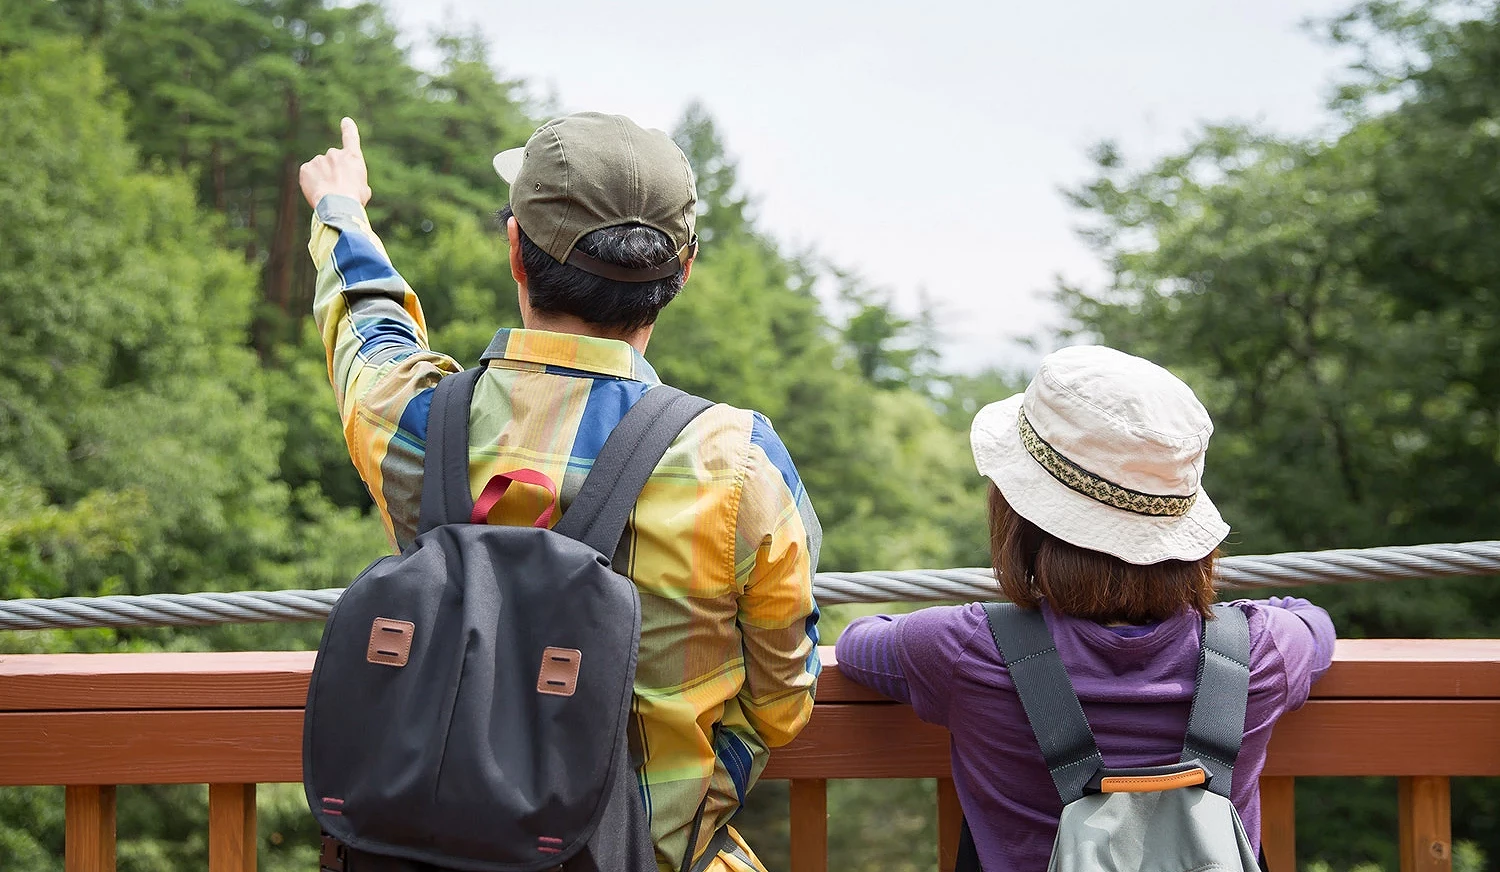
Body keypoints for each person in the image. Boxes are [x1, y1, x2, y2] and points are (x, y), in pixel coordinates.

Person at [298, 113, 822, 872]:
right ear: (686, 267)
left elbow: (368, 335)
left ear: (516, 248)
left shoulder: (416, 419)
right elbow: (784, 695)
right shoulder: (738, 461)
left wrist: (340, 211)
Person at [834, 344, 1335, 872]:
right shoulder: (1263, 648)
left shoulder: (961, 647)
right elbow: (1313, 623)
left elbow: (858, 643)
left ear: (1022, 517)